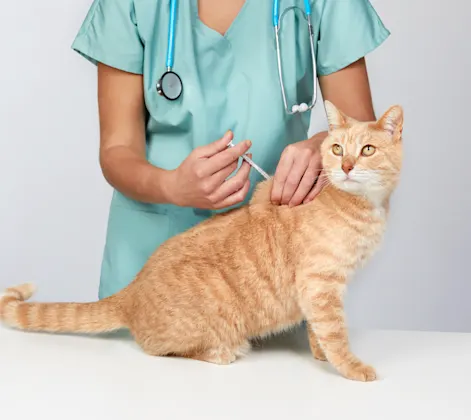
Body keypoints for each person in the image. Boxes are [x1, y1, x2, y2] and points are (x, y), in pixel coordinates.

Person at [71, 0, 390, 299]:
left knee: (276, 356)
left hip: (269, 269)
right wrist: (171, 186)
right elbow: (117, 149)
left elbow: (362, 131)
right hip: (152, 270)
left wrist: (321, 148)